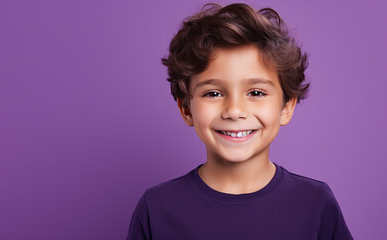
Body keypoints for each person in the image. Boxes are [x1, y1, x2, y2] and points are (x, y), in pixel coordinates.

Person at [127, 3, 353, 239]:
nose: (234, 111)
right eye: (213, 93)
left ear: (286, 107)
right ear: (186, 109)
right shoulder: (156, 208)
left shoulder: (316, 204)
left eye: (256, 93)